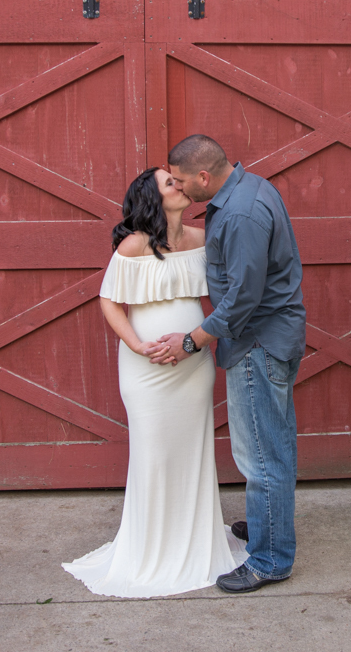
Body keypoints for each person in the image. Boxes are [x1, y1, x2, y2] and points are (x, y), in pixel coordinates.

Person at [61, 167, 247, 598]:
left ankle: (194, 541)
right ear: (154, 198)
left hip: (193, 364)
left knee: (193, 452)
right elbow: (109, 300)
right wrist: (138, 345)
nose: (180, 186)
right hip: (147, 371)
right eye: (170, 183)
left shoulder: (202, 238)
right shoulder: (135, 244)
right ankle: (151, 550)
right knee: (155, 453)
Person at [152, 135, 306, 594]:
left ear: (203, 176)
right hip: (273, 336)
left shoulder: (238, 214)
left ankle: (270, 560)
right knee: (273, 445)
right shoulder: (251, 187)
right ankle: (268, 528)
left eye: (180, 180)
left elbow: (242, 299)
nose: (177, 188)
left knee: (261, 456)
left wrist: (190, 341)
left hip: (258, 343)